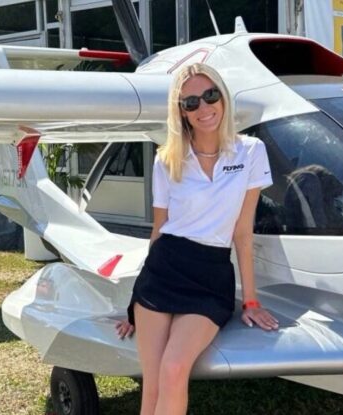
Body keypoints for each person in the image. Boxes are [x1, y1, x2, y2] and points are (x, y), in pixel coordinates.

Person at [115, 62, 279, 415]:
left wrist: (251, 301)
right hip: (163, 271)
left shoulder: (250, 152)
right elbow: (159, 230)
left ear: (223, 97)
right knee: (153, 384)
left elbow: (242, 232)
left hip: (210, 275)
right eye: (191, 103)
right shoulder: (167, 160)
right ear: (182, 112)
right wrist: (133, 304)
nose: (204, 108)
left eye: (210, 96)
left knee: (174, 369)